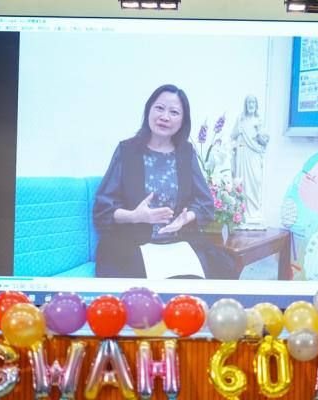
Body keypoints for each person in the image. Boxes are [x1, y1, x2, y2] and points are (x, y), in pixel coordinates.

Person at [94, 84, 237, 279]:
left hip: (178, 241)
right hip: (132, 243)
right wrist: (135, 216)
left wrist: (185, 218)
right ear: (149, 110)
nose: (165, 116)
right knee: (141, 281)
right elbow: (103, 209)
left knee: (220, 269)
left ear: (183, 120)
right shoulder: (127, 151)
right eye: (159, 108)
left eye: (174, 112)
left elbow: (204, 203)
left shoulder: (185, 153)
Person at [231, 95, 269, 228]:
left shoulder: (259, 121)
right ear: (246, 105)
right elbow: (233, 135)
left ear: (256, 105)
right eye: (249, 102)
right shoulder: (240, 120)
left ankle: (255, 212)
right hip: (242, 155)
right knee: (243, 183)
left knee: (255, 182)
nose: (251, 105)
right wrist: (238, 131)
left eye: (253, 102)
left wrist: (259, 133)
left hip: (254, 155)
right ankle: (243, 212)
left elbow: (264, 141)